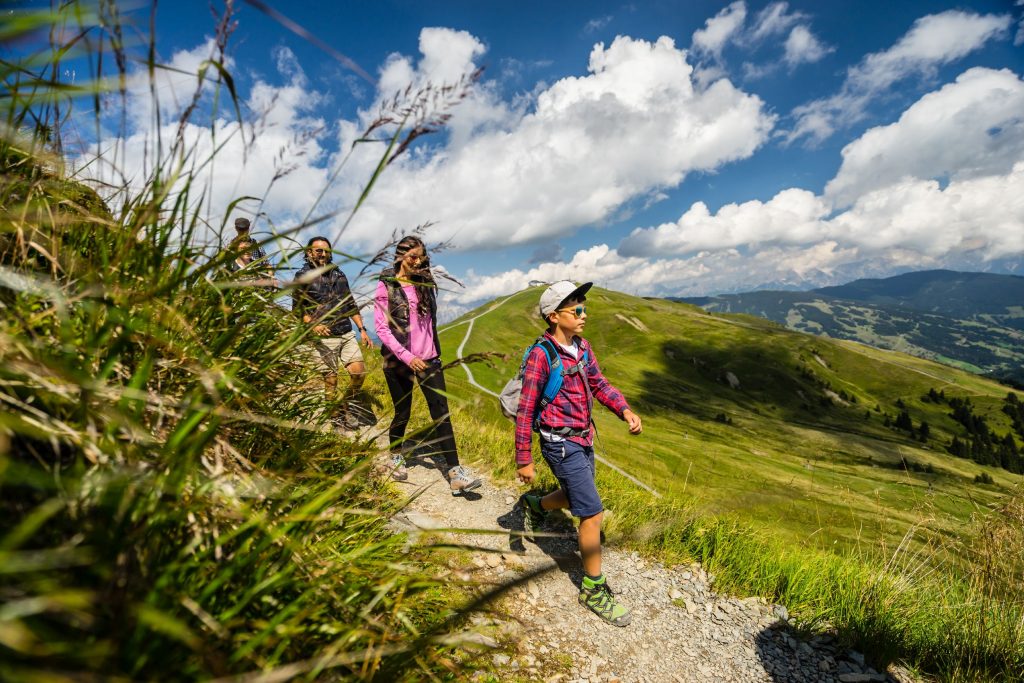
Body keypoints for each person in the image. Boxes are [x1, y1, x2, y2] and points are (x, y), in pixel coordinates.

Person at [514, 280, 643, 627]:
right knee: (592, 513)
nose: (585, 315)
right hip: (558, 442)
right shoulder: (542, 356)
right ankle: (593, 587)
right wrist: (523, 458)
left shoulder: (582, 347)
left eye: (584, 308)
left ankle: (536, 505)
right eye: (577, 310)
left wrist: (624, 410)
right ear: (554, 316)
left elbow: (599, 384)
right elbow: (526, 410)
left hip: (583, 439)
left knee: (575, 497)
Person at [374, 235, 481, 495]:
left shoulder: (426, 282)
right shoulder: (387, 285)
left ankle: (455, 472)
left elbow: (427, 324)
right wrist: (408, 356)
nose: (418, 261)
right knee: (403, 412)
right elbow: (382, 328)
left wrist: (433, 353)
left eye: (422, 257)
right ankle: (396, 456)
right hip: (399, 360)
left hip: (430, 359)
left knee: (441, 413)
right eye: (413, 257)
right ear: (400, 256)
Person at [293, 236, 374, 429]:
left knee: (359, 373)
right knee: (331, 381)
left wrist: (362, 329)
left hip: (345, 332)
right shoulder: (302, 276)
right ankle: (335, 416)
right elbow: (298, 309)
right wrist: (313, 325)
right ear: (309, 252)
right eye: (319, 250)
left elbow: (350, 303)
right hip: (323, 336)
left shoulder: (339, 274)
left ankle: (345, 405)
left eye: (326, 251)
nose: (323, 254)